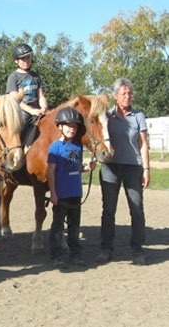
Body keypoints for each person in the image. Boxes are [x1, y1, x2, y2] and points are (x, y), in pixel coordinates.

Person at [96, 78, 150, 265]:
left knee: (136, 209)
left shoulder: (138, 116)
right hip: (110, 167)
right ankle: (106, 249)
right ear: (115, 96)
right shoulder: (107, 116)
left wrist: (146, 169)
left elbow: (142, 144)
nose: (127, 97)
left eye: (129, 93)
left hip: (133, 168)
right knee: (108, 210)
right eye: (123, 94)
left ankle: (137, 250)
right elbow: (98, 137)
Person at [47, 107, 95, 268]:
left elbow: (75, 167)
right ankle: (57, 256)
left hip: (75, 193)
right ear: (60, 126)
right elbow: (51, 172)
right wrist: (53, 193)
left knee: (74, 227)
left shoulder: (78, 147)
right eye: (68, 126)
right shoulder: (55, 147)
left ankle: (75, 254)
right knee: (58, 227)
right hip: (61, 194)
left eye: (74, 126)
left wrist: (87, 168)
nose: (71, 129)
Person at [6, 43, 48, 149]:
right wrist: (31, 111)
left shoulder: (35, 76)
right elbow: (15, 100)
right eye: (23, 59)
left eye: (28, 58)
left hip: (37, 109)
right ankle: (15, 152)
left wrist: (44, 107)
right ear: (16, 60)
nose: (26, 61)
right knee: (19, 126)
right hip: (22, 110)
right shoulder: (13, 77)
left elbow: (41, 95)